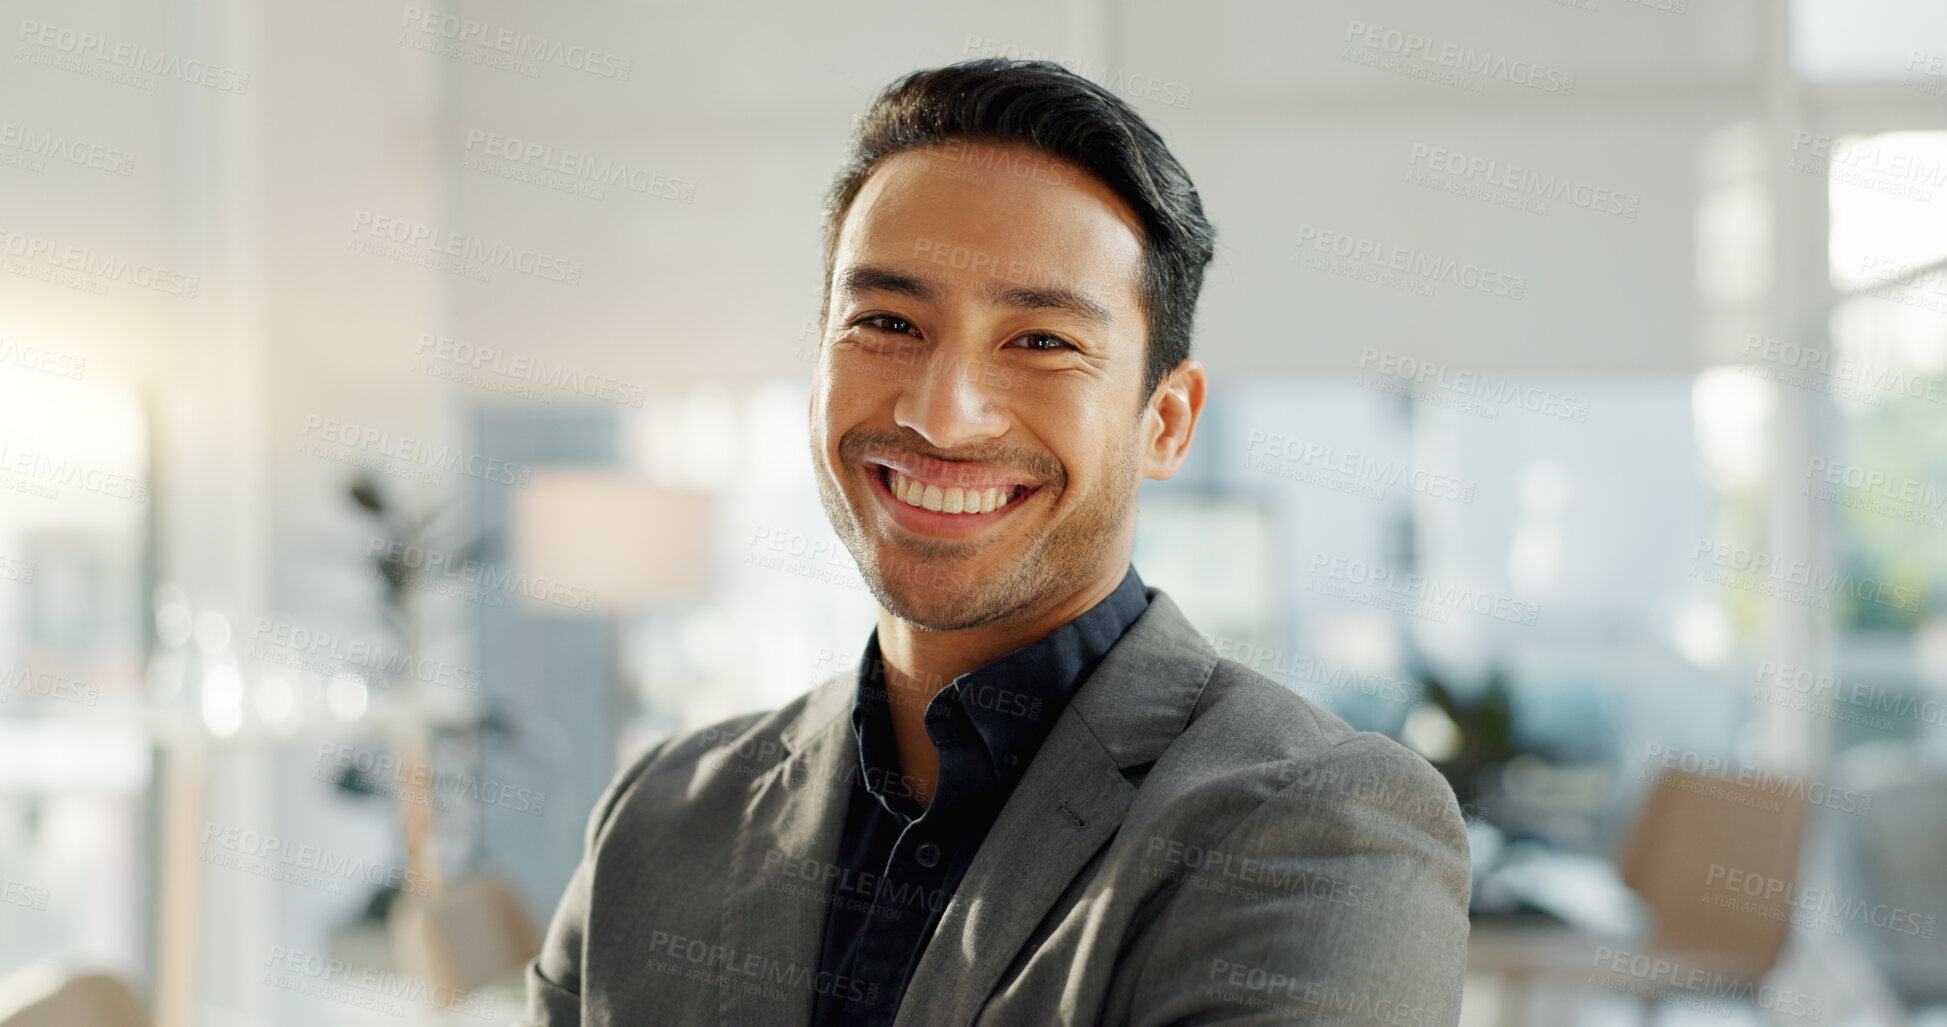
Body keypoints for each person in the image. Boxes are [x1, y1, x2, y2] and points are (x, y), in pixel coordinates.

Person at [522, 58, 1470, 1027]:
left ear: (1168, 421)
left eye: (1042, 340)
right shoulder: (659, 819)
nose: (942, 416)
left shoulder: (1323, 833)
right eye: (887, 322)